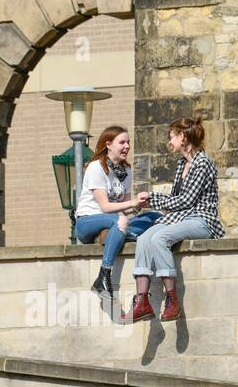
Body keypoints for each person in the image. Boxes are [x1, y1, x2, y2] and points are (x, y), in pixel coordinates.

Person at [124, 116, 225, 323]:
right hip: (182, 217)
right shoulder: (182, 164)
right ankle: (142, 302)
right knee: (144, 238)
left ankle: (172, 301)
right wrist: (150, 198)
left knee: (160, 238)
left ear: (183, 137)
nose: (169, 142)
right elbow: (175, 199)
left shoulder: (202, 164)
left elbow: (186, 201)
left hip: (201, 219)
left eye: (172, 137)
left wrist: (153, 199)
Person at [73, 126, 160, 298]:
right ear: (108, 144)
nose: (127, 146)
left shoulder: (125, 171)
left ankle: (121, 235)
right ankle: (103, 276)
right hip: (87, 221)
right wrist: (132, 203)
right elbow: (105, 207)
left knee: (156, 217)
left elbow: (125, 207)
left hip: (115, 220)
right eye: (122, 142)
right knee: (120, 221)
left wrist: (138, 205)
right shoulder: (96, 167)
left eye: (128, 142)